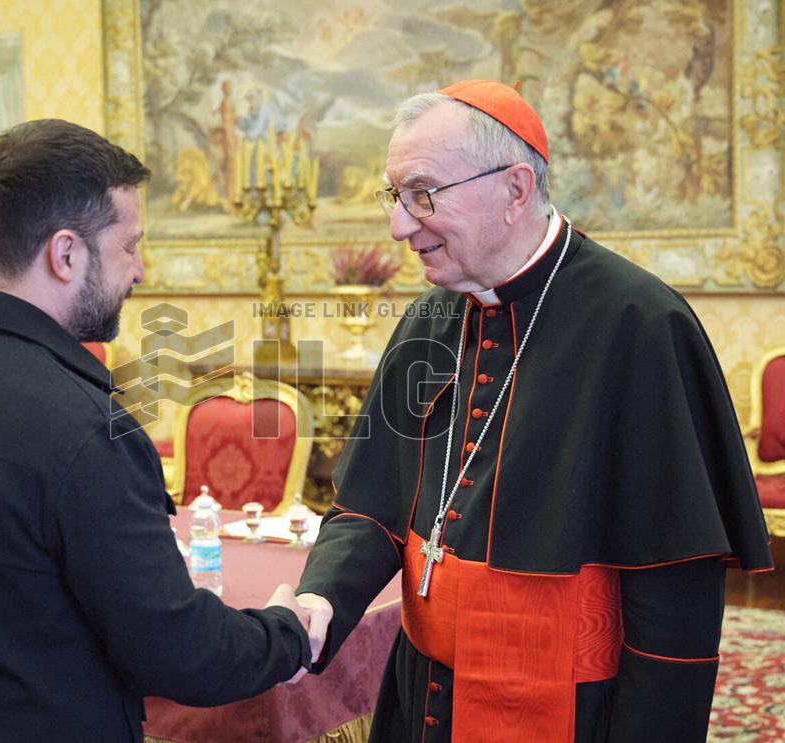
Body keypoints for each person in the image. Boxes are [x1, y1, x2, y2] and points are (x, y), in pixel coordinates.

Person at [294, 81, 773, 742]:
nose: (399, 225)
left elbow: (675, 595)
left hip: (568, 714)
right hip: (425, 692)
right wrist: (320, 596)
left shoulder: (640, 324)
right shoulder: (428, 321)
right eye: (394, 196)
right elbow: (370, 505)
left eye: (422, 194)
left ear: (515, 189)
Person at [0, 119, 311, 742]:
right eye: (129, 246)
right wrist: (285, 630)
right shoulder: (83, 425)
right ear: (65, 253)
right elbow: (178, 654)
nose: (140, 270)